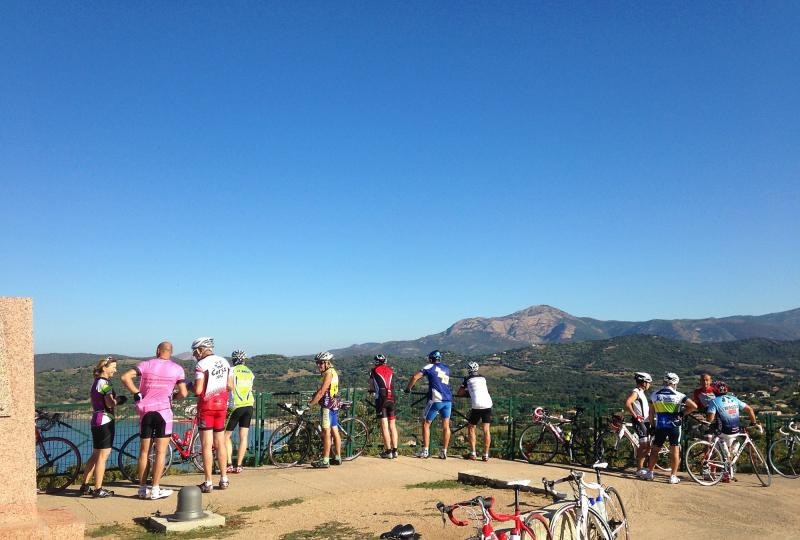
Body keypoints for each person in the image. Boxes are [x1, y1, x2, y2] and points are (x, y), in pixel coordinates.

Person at [120, 342, 187, 500]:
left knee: (144, 452)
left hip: (146, 412)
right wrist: (173, 397)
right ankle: (155, 489)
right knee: (161, 452)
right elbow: (183, 393)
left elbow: (124, 377)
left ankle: (142, 489)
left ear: (157, 351)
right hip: (164, 412)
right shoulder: (177, 369)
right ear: (170, 352)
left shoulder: (146, 364)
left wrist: (136, 392)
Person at [191, 337, 233, 492]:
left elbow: (198, 390)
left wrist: (189, 386)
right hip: (222, 406)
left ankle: (208, 482)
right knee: (220, 443)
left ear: (200, 349)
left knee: (207, 446)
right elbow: (230, 385)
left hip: (206, 407)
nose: (194, 355)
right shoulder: (225, 362)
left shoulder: (201, 364)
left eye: (195, 351)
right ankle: (224, 479)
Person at [80, 356, 126, 498]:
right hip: (105, 421)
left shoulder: (96, 382)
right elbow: (110, 403)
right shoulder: (105, 384)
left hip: (96, 419)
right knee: (103, 456)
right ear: (105, 368)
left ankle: (85, 485)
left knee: (95, 455)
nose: (115, 370)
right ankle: (98, 488)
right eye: (113, 367)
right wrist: (120, 400)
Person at [644, 372, 697, 484]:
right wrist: (682, 414)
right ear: (675, 383)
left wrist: (652, 426)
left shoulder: (655, 395)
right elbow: (694, 406)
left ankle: (650, 473)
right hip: (674, 426)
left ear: (664, 382)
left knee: (655, 450)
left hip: (660, 426)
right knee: (675, 450)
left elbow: (651, 412)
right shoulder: (680, 395)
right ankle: (673, 476)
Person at [706, 380, 759, 481]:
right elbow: (750, 410)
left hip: (723, 431)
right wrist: (753, 423)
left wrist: (708, 418)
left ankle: (723, 471)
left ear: (714, 391)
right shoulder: (734, 399)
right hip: (736, 431)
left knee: (720, 449)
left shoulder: (713, 401)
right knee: (732, 448)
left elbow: (710, 419)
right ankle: (728, 471)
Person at [404, 350, 452, 459]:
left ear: (431, 359)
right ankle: (444, 451)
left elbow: (415, 377)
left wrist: (408, 389)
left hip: (436, 399)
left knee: (425, 423)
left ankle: (425, 451)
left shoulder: (429, 366)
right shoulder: (446, 368)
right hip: (448, 400)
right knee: (446, 425)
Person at [308, 351, 342, 468]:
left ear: (327, 363)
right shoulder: (333, 372)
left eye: (321, 363)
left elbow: (322, 392)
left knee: (326, 433)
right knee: (334, 431)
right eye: (317, 363)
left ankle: (325, 460)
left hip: (327, 407)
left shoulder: (328, 374)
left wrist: (310, 405)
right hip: (334, 405)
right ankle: (337, 458)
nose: (318, 365)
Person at [225, 349, 255, 473]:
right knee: (244, 437)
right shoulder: (250, 372)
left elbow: (228, 386)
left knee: (226, 436)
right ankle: (240, 465)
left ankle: (229, 464)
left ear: (233, 359)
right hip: (249, 405)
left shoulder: (231, 370)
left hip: (236, 406)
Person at [456, 362, 493, 461]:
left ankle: (473, 453)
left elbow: (459, 392)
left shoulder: (467, 379)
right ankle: (485, 455)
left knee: (471, 427)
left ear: (468, 370)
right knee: (486, 430)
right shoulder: (483, 378)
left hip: (477, 405)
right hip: (488, 404)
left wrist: (468, 392)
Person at [369, 354, 398, 459]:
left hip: (381, 399)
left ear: (376, 362)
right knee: (393, 426)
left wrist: (371, 391)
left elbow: (371, 385)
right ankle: (395, 451)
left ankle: (388, 451)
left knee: (384, 426)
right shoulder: (390, 370)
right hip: (393, 398)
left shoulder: (373, 370)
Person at [624, 372, 652, 478]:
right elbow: (627, 403)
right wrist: (635, 416)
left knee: (647, 446)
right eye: (648, 382)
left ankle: (640, 468)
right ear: (644, 383)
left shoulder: (641, 392)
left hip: (645, 421)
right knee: (644, 445)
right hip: (640, 422)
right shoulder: (636, 392)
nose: (649, 384)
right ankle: (639, 469)